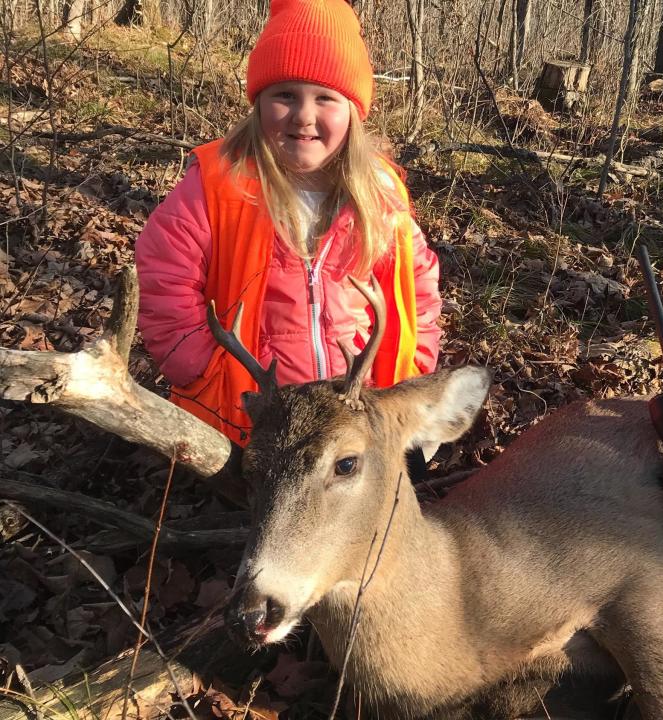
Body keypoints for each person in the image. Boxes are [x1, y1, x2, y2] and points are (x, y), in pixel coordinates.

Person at [135, 0, 442, 448]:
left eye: (325, 98)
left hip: (353, 413)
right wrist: (201, 369)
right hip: (249, 414)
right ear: (258, 103)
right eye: (285, 95)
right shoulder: (220, 184)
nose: (304, 116)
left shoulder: (379, 194)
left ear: (353, 113)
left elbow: (418, 292)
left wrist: (411, 373)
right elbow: (165, 276)